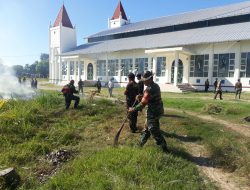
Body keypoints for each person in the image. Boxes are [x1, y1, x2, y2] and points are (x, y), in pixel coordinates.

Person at [128, 71, 168, 152]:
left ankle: (164, 148)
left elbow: (143, 103)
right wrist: (141, 96)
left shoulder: (149, 89)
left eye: (145, 80)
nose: (143, 81)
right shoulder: (155, 86)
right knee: (147, 129)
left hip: (153, 112)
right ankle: (140, 144)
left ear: (150, 79)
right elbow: (149, 97)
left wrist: (133, 109)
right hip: (158, 110)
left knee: (153, 129)